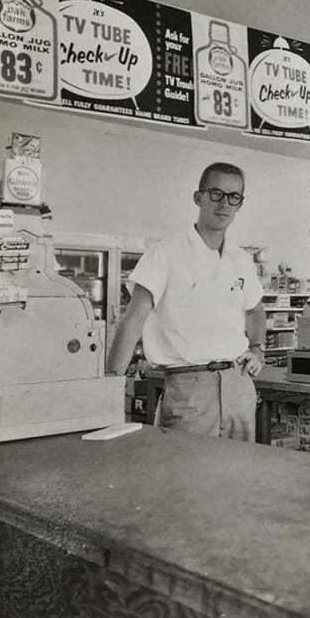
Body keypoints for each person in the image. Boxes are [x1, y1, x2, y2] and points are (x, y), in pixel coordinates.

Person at [107, 162, 266, 441]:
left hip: (238, 384)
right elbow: (133, 320)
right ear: (199, 197)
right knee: (186, 479)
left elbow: (255, 309)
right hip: (189, 387)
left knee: (241, 477)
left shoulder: (240, 259)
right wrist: (109, 388)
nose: (224, 204)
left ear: (240, 204)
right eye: (215, 193)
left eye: (234, 197)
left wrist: (258, 348)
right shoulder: (165, 253)